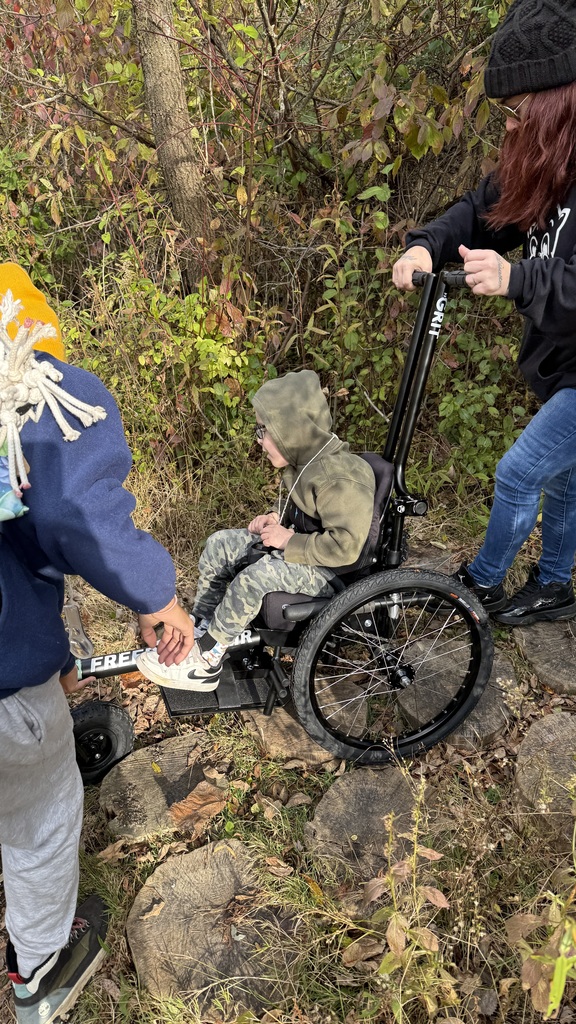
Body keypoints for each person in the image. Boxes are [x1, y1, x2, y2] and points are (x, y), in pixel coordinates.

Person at [0, 270, 194, 1024]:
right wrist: (155, 592)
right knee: (41, 817)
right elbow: (74, 508)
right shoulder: (31, 393)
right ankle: (43, 972)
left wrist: (57, 643)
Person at [392, 0, 576, 627]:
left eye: (521, 103)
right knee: (565, 480)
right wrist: (427, 242)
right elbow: (484, 207)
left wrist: (516, 276)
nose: (513, 119)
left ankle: (484, 583)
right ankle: (554, 583)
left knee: (520, 472)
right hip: (562, 360)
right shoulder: (554, 160)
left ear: (559, 95)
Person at [136, 369, 376, 689]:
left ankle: (207, 659)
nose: (260, 440)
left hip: (330, 573)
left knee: (257, 577)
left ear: (293, 430)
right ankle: (206, 622)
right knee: (220, 543)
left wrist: (288, 539)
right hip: (304, 550)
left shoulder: (340, 478)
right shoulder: (305, 462)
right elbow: (303, 510)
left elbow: (347, 547)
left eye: (265, 430)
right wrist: (277, 520)